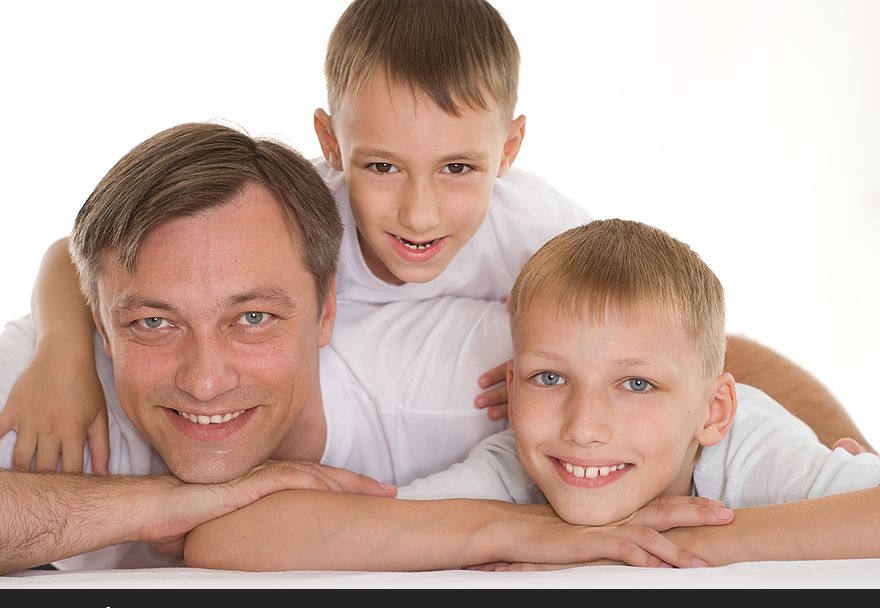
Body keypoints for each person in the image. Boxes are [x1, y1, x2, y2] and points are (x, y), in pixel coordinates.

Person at [0, 0, 870, 478]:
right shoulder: (299, 212)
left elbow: (678, 339)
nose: (418, 216)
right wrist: (67, 355)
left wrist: (838, 440)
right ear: (333, 144)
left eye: (459, 170)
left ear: (510, 151)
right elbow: (83, 253)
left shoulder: (534, 230)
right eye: (382, 168)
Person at [0, 122, 738, 575]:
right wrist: (164, 501)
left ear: (328, 308)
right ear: (103, 324)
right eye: (153, 324)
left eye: (252, 318)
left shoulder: (452, 372)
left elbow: (680, 353)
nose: (205, 378)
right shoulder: (36, 390)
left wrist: (844, 445)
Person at [188, 219, 879, 571]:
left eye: (636, 384)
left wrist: (684, 543)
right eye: (550, 378)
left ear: (713, 410)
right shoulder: (513, 469)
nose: (583, 427)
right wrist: (526, 529)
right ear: (510, 390)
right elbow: (225, 539)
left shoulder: (748, 443)